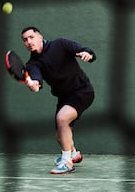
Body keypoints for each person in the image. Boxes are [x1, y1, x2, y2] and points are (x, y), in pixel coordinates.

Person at [20, 26, 96, 174]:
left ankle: (67, 162)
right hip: (64, 97)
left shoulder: (60, 44)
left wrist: (87, 54)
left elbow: (84, 49)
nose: (29, 42)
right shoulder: (32, 64)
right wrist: (34, 85)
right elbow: (36, 79)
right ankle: (74, 154)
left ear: (40, 36)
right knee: (60, 137)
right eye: (25, 40)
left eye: (31, 37)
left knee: (62, 119)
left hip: (82, 90)